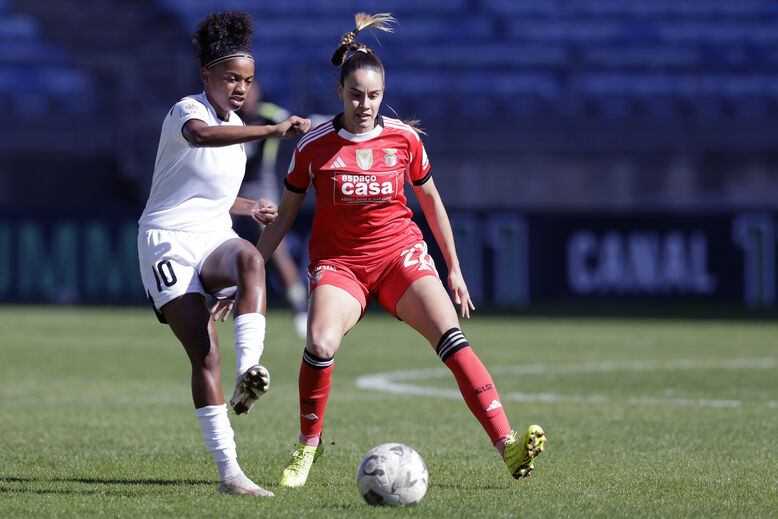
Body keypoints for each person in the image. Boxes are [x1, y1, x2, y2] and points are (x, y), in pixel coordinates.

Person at [254, 12, 546, 488]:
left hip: (399, 256)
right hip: (340, 264)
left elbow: (432, 204)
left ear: (383, 95)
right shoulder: (313, 146)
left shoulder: (404, 140)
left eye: (373, 96)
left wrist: (453, 268)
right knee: (320, 343)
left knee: (452, 339)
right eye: (355, 94)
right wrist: (253, 268)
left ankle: (508, 444)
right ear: (340, 92)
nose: (364, 104)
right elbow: (285, 215)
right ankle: (307, 447)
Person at [137, 10, 310, 496]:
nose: (240, 87)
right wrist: (273, 132)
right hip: (167, 239)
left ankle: (249, 371)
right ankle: (230, 473)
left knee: (252, 260)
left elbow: (209, 197)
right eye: (231, 77)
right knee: (205, 353)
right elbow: (201, 138)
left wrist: (247, 206)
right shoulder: (186, 111)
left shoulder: (236, 131)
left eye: (248, 80)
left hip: (211, 232)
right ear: (206, 76)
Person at [236, 85, 326, 338]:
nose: (246, 100)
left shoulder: (269, 115)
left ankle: (299, 305)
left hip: (260, 189)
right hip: (229, 187)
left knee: (275, 245)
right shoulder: (229, 118)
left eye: (251, 92)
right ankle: (205, 295)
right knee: (211, 233)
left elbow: (301, 123)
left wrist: (333, 124)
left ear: (258, 94)